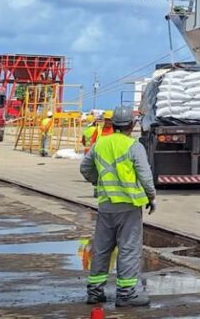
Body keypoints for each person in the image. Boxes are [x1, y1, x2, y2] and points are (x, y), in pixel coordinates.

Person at [80, 105, 156, 307]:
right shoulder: (134, 146)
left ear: (112, 125)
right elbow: (146, 177)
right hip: (129, 207)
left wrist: (99, 182)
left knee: (102, 249)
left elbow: (85, 168)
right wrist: (151, 197)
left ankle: (95, 292)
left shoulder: (100, 144)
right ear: (132, 125)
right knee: (129, 249)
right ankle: (126, 294)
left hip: (106, 206)